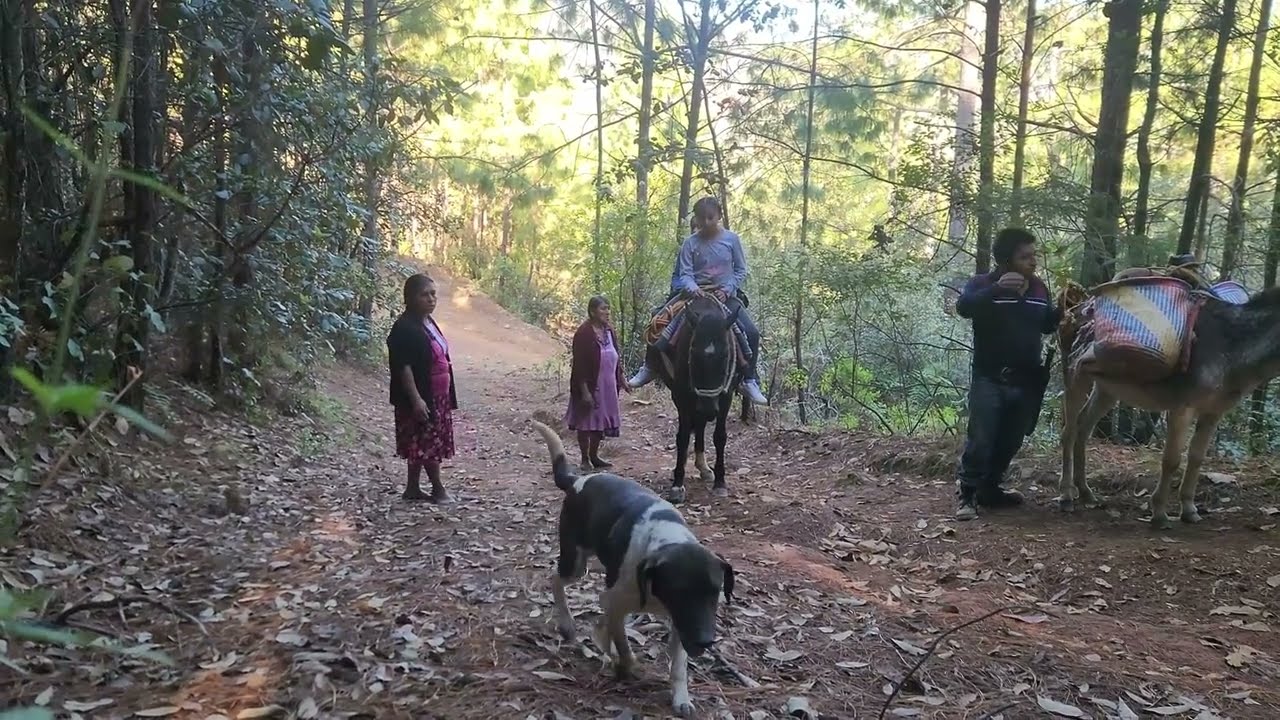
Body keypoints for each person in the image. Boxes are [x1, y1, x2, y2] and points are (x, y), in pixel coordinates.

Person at [953, 228, 1061, 521]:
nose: (1033, 262)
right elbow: (964, 307)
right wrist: (998, 289)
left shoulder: (1039, 288)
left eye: (1034, 256)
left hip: (1026, 380)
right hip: (989, 377)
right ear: (1005, 259)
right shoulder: (981, 284)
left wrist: (1063, 311)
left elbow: (1046, 325)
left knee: (1011, 439)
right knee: (982, 438)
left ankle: (991, 488)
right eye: (1025, 257)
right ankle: (968, 494)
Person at [628, 196, 768, 405]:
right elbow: (685, 273)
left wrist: (728, 288)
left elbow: (740, 270)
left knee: (752, 333)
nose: (706, 223)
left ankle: (749, 379)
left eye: (710, 217)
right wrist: (693, 288)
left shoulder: (731, 240)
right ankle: (650, 367)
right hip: (694, 295)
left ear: (719, 216)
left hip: (724, 296)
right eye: (701, 219)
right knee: (657, 319)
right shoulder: (690, 242)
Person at [386, 273, 458, 504]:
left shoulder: (428, 322)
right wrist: (416, 399)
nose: (430, 299)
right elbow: (403, 367)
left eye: (433, 294)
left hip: (437, 395)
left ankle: (412, 488)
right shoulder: (404, 328)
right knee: (428, 443)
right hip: (420, 397)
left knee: (420, 442)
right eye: (424, 295)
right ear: (409, 298)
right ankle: (438, 490)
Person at [566, 295, 628, 471]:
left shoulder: (610, 331)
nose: (607, 312)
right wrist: (585, 392)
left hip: (608, 385)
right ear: (592, 311)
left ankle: (594, 456)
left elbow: (616, 356)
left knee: (600, 422)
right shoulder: (584, 333)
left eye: (608, 308)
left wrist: (621, 379)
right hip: (590, 385)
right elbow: (579, 365)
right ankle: (585, 458)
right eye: (603, 308)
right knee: (586, 422)